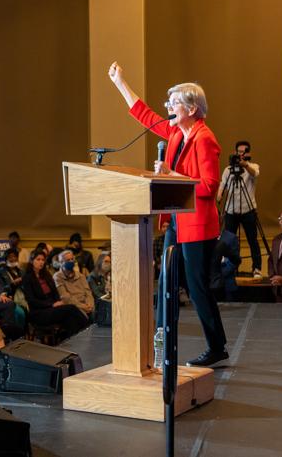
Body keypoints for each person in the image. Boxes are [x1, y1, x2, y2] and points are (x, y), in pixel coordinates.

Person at [108, 61, 228, 367]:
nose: (169, 108)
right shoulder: (176, 134)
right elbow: (145, 116)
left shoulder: (204, 138)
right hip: (177, 221)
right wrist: (120, 83)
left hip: (198, 225)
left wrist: (172, 174)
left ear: (192, 108)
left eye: (174, 103)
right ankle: (162, 344)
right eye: (169, 103)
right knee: (166, 283)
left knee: (197, 288)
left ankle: (217, 347)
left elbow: (210, 186)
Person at [217, 140, 263, 277]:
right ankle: (230, 268)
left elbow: (255, 173)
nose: (241, 154)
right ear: (235, 152)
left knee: (252, 240)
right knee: (228, 241)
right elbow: (222, 185)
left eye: (244, 152)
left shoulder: (253, 166)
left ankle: (257, 268)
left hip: (248, 210)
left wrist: (245, 165)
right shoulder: (228, 169)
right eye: (239, 152)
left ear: (248, 153)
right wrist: (219, 196)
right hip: (231, 210)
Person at [21, 250, 89, 340]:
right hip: (39, 312)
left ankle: (72, 341)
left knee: (70, 319)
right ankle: (88, 331)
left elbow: (55, 293)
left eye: (43, 260)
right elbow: (31, 301)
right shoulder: (27, 278)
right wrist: (52, 304)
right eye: (38, 259)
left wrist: (58, 302)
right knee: (71, 308)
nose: (41, 262)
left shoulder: (46, 275)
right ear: (31, 261)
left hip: (52, 309)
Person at [53, 250, 95, 319]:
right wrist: (82, 306)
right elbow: (65, 297)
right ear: (61, 262)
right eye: (68, 260)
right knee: (82, 317)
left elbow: (88, 292)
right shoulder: (57, 277)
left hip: (86, 304)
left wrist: (90, 305)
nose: (71, 261)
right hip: (73, 306)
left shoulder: (80, 276)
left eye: (72, 259)